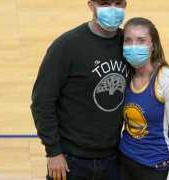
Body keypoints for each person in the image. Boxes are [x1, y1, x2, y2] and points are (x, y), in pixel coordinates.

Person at [30, 0, 129, 179]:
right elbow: (42, 103)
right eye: (105, 3)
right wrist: (53, 152)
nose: (113, 9)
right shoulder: (66, 46)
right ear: (91, 6)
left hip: (113, 159)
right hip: (70, 161)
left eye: (118, 3)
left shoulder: (128, 45)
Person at [118, 17, 169, 180]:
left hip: (156, 168)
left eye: (141, 41)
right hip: (124, 163)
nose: (133, 46)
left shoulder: (167, 80)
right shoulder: (123, 75)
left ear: (153, 46)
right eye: (128, 41)